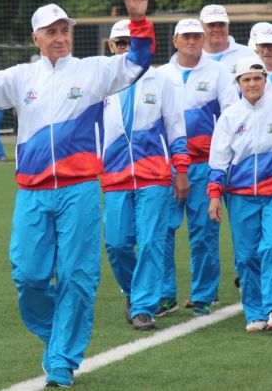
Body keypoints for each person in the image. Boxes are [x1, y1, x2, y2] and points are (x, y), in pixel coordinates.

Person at [0, 0, 153, 388]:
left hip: (79, 190)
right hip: (31, 192)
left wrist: (138, 20)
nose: (61, 37)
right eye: (52, 31)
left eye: (65, 30)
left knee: (76, 275)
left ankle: (62, 361)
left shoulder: (94, 71)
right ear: (36, 37)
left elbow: (137, 62)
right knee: (28, 276)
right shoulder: (20, 77)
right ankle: (57, 335)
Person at [206, 56, 272, 333]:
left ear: (266, 81)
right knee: (246, 256)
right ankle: (254, 312)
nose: (252, 83)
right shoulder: (230, 115)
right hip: (240, 194)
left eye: (257, 78)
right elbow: (218, 160)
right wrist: (215, 195)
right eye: (246, 79)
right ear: (238, 84)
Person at [100, 19, 190, 331]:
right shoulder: (101, 81)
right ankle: (132, 291)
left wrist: (181, 172)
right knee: (116, 243)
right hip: (114, 176)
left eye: (132, 42)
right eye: (121, 43)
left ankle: (143, 307)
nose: (127, 48)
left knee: (151, 240)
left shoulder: (161, 80)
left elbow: (176, 128)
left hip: (154, 175)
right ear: (112, 47)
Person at [157, 18, 238, 317]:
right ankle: (166, 295)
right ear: (175, 40)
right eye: (186, 36)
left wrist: (222, 160)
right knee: (163, 230)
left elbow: (230, 117)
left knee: (204, 230)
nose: (192, 41)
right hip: (167, 167)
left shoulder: (218, 73)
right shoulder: (160, 75)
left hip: (204, 164)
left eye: (196, 36)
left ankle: (204, 293)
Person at [199, 4, 256, 76]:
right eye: (211, 25)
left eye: (221, 24)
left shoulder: (247, 55)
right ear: (201, 27)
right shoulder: (191, 56)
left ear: (228, 27)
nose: (217, 29)